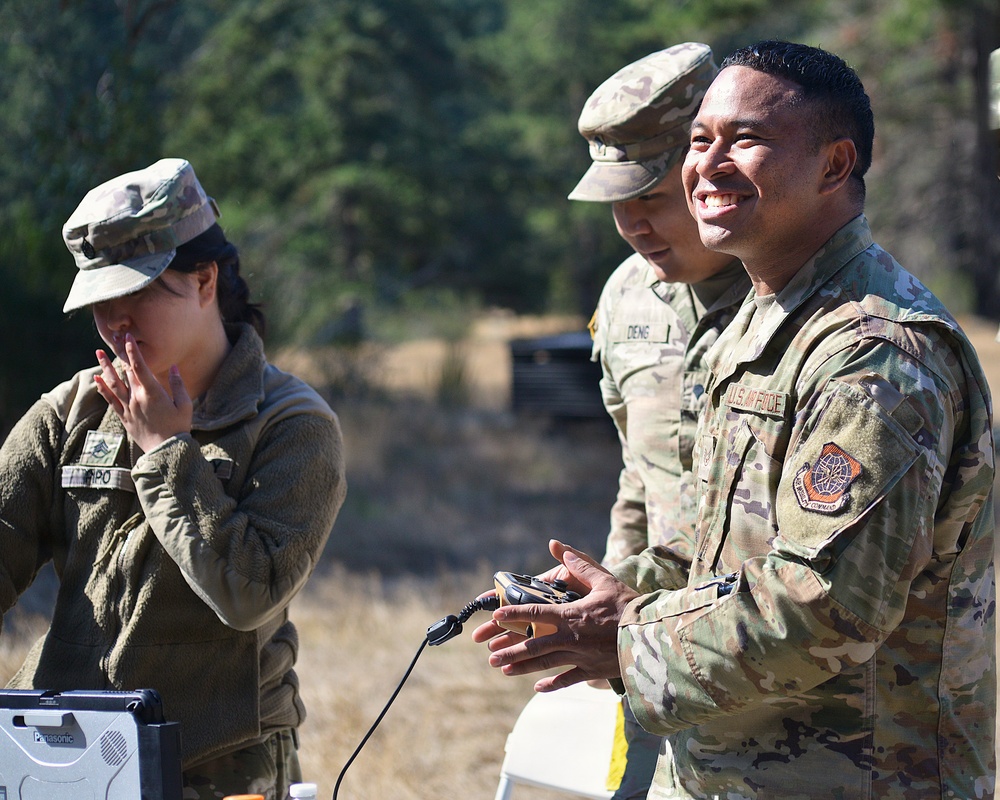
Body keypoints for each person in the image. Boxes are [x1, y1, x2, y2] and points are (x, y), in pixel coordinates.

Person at [475, 41, 996, 799]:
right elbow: (723, 548)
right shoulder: (762, 321)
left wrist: (628, 639)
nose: (706, 167)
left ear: (833, 165)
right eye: (698, 141)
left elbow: (827, 604)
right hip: (727, 767)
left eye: (744, 139)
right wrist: (612, 594)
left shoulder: (872, 355)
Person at [0, 158, 347, 800]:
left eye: (134, 292)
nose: (115, 322)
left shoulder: (292, 425)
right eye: (100, 302)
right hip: (64, 751)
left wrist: (166, 451)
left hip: (220, 765)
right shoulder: (68, 413)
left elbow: (250, 594)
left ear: (205, 278)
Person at [569, 42, 750, 799]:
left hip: (777, 680)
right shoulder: (626, 299)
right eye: (616, 200)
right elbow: (641, 475)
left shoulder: (799, 298)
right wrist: (603, 597)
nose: (632, 223)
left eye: (649, 194)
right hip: (655, 666)